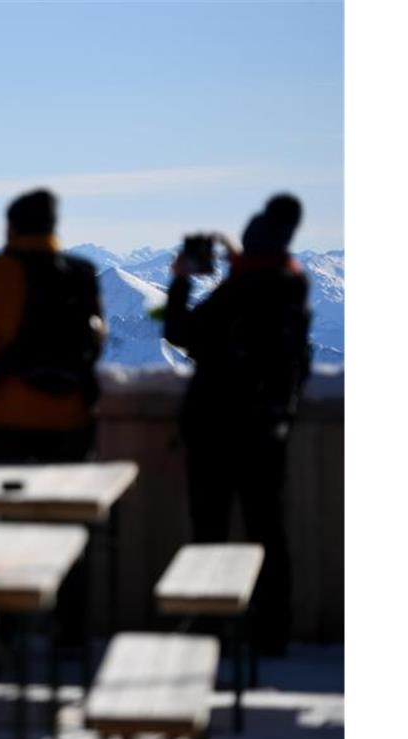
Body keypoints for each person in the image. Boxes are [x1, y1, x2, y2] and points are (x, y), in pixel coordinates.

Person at [163, 193, 312, 656]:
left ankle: (210, 627)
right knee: (268, 529)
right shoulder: (292, 288)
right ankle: (273, 631)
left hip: (215, 427)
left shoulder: (239, 291)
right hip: (268, 428)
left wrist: (181, 282)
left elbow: (181, 333)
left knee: (209, 531)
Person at [0, 188, 106, 464]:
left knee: (2, 503)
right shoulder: (81, 273)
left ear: (11, 227)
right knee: (66, 503)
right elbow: (97, 339)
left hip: (4, 417)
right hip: (71, 418)